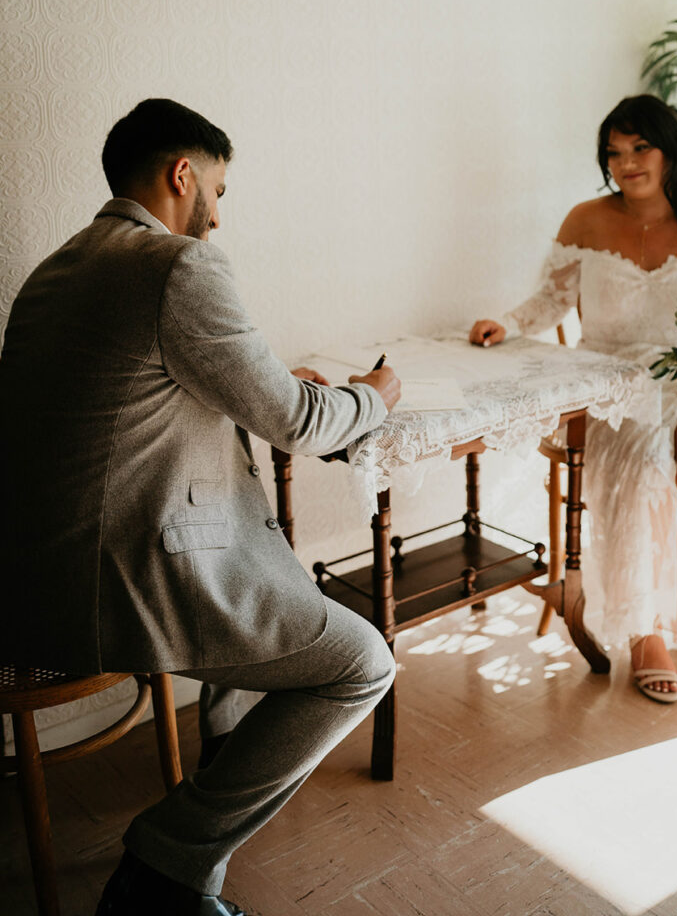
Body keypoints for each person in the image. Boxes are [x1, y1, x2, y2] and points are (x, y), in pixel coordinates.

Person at [0, 98, 401, 915]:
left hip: (38, 570)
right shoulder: (177, 266)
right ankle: (167, 863)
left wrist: (284, 391)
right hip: (121, 575)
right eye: (218, 189)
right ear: (183, 174)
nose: (217, 216)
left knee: (267, 585)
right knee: (362, 663)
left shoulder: (56, 268)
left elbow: (138, 403)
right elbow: (293, 423)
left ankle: (217, 778)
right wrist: (374, 395)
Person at [470, 94, 677, 705]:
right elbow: (550, 301)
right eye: (614, 153)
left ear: (670, 148)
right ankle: (646, 633)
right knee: (645, 457)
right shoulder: (585, 220)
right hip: (608, 378)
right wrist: (507, 325)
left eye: (641, 147)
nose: (627, 163)